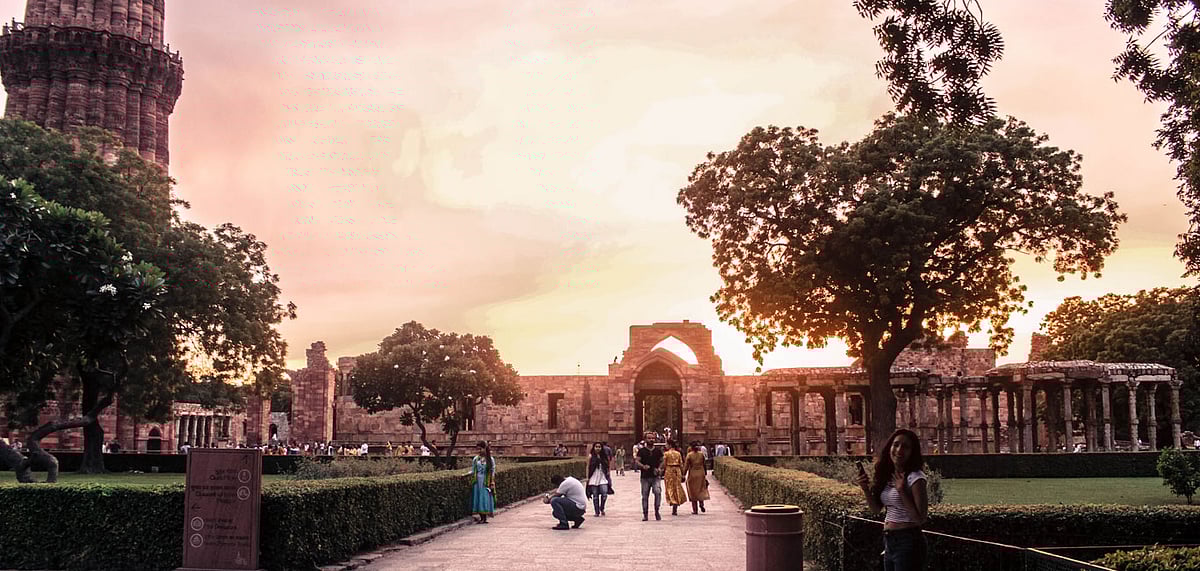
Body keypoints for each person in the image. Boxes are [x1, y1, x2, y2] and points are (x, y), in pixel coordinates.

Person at [855, 429, 929, 571]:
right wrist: (865, 489)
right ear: (889, 447)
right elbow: (876, 509)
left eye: (905, 447)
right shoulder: (888, 475)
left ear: (912, 452)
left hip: (909, 542)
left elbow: (921, 518)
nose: (899, 450)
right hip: (889, 541)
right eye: (896, 444)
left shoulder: (916, 477)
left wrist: (902, 491)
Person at [636, 432, 664, 521]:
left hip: (655, 476)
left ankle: (657, 510)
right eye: (649, 438)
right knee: (645, 496)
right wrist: (643, 466)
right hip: (645, 476)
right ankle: (645, 514)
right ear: (645, 439)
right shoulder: (642, 451)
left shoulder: (658, 451)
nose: (651, 440)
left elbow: (662, 461)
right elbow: (637, 461)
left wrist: (659, 468)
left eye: (652, 438)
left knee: (657, 492)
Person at [469, 441, 496, 523]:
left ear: (485, 448)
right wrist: (466, 474)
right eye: (477, 449)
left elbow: (492, 471)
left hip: (485, 481)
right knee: (478, 498)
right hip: (477, 482)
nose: (479, 451)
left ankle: (484, 518)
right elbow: (473, 470)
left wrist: (492, 482)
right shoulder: (476, 459)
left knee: (484, 498)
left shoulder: (490, 459)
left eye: (480, 449)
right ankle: (481, 517)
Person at [586, 442, 613, 516]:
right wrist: (587, 477)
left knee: (604, 494)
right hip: (594, 477)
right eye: (596, 447)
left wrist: (608, 473)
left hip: (602, 477)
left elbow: (608, 465)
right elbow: (588, 467)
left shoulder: (604, 457)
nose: (598, 448)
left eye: (599, 447)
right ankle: (596, 511)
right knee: (595, 496)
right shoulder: (591, 457)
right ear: (593, 448)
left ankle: (602, 508)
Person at [683, 442, 710, 514]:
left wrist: (683, 474)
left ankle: (695, 510)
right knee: (701, 490)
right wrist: (705, 473)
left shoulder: (689, 455)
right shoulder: (701, 454)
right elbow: (704, 464)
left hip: (693, 474)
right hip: (701, 473)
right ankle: (701, 504)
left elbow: (686, 466)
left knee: (693, 492)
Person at [662, 440, 687, 515]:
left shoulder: (666, 454)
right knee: (677, 487)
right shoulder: (678, 453)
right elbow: (681, 464)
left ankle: (673, 501)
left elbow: (664, 464)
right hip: (677, 470)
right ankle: (676, 503)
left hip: (669, 470)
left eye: (666, 444)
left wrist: (661, 471)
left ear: (669, 445)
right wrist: (683, 474)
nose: (666, 446)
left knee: (670, 487)